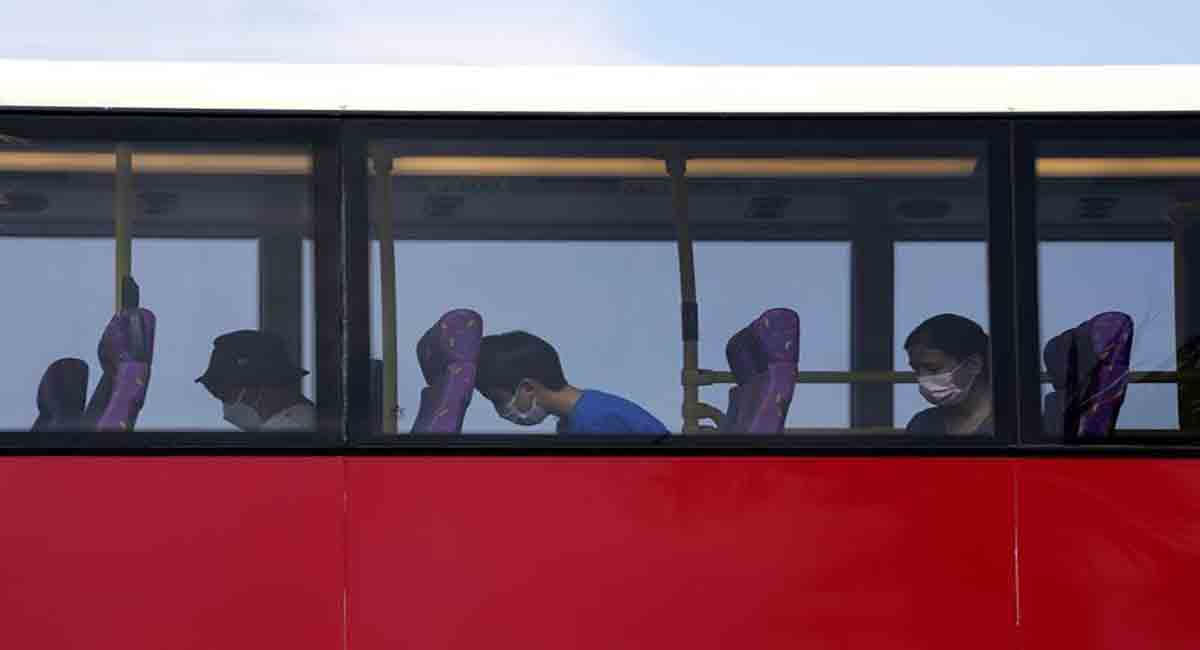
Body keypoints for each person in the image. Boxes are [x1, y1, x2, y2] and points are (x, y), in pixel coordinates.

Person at [474, 331, 668, 435]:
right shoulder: (580, 417)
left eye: (498, 400)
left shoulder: (595, 423)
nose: (500, 411)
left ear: (527, 388)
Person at [196, 330, 316, 431]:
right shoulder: (307, 420)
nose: (226, 407)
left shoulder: (286, 429)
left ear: (260, 383)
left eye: (225, 395)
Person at [903, 314, 993, 435]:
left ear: (973, 364)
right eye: (917, 370)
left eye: (933, 368)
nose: (923, 379)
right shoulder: (922, 424)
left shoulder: (1016, 422)